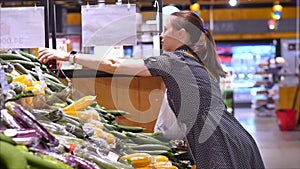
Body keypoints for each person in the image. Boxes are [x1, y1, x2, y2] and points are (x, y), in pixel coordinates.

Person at [39, 10, 265, 169]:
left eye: (166, 30)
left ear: (182, 35)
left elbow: (114, 65)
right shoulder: (191, 59)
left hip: (219, 142)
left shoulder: (175, 61)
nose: (161, 35)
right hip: (231, 136)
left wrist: (68, 56)